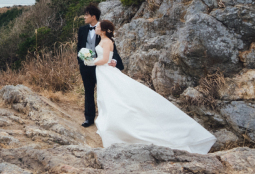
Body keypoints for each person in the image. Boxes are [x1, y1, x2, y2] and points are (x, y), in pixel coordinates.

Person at [84, 20, 217, 154]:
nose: (96, 27)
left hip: (107, 72)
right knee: (107, 97)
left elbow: (104, 59)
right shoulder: (101, 40)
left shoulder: (107, 41)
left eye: (99, 26)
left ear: (104, 30)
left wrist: (89, 61)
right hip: (103, 73)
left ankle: (119, 127)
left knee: (116, 97)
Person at [76, 4, 124, 127]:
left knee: (103, 92)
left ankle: (106, 118)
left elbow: (113, 49)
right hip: (85, 66)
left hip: (100, 67)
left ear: (93, 16)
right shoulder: (82, 29)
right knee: (88, 91)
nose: (84, 17)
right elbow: (79, 47)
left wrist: (115, 61)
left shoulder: (102, 29)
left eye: (86, 15)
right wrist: (81, 61)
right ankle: (89, 118)